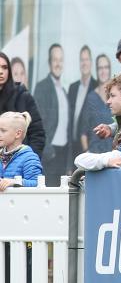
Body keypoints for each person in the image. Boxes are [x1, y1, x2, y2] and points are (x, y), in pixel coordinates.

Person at [33, 44, 68, 186]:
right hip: (50, 153)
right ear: (49, 62)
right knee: (50, 194)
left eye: (60, 60)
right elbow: (38, 123)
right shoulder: (42, 87)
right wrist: (49, 152)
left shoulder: (63, 90)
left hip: (63, 153)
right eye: (55, 60)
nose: (58, 63)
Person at [0, 52, 45, 156]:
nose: (1, 71)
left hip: (18, 162)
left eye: (4, 67)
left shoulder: (22, 96)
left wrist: (28, 159)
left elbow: (37, 134)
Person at [67, 45, 98, 162]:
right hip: (72, 146)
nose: (84, 63)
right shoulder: (73, 88)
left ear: (91, 62)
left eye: (87, 59)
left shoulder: (96, 86)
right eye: (82, 60)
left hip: (89, 147)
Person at [79, 54, 114, 154]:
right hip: (95, 154)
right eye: (100, 68)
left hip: (114, 155)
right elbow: (83, 131)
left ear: (110, 70)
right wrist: (87, 153)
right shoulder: (91, 98)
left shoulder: (116, 97)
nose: (103, 71)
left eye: (106, 67)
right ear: (96, 70)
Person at [0, 111, 42, 190]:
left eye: (3, 130)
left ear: (18, 134)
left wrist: (14, 182)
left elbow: (37, 183)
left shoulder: (30, 158)